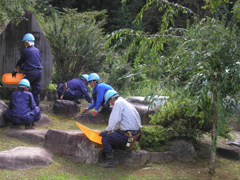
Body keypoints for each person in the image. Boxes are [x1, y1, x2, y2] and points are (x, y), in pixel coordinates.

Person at [99, 90, 142, 168]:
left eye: (109, 102)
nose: (110, 104)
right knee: (114, 134)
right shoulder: (126, 103)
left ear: (111, 99)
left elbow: (114, 120)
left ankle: (110, 162)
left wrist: (107, 131)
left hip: (129, 135)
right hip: (136, 134)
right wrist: (112, 129)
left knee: (106, 139)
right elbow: (120, 122)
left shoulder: (118, 103)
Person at [12, 33, 42, 106]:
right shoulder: (37, 50)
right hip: (39, 72)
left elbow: (20, 62)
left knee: (23, 88)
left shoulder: (25, 51)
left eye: (24, 42)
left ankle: (21, 106)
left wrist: (15, 71)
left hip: (30, 72)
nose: (24, 44)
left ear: (26, 42)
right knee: (36, 92)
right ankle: (36, 109)